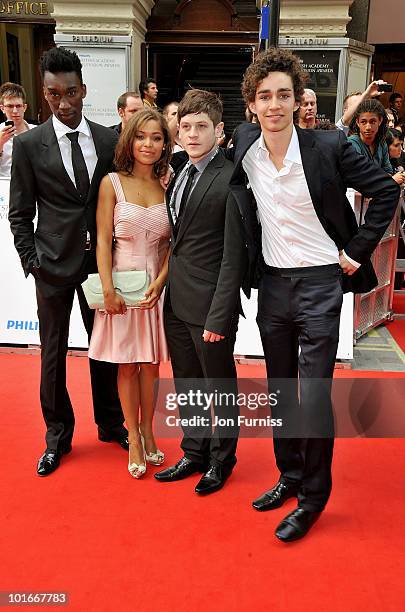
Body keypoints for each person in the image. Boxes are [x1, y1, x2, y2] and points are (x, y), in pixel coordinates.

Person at [229, 48, 400, 542]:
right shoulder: (244, 144)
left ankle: (313, 498)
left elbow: (385, 192)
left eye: (284, 94)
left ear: (298, 99)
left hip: (324, 283)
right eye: (265, 96)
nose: (275, 104)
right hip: (274, 286)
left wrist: (355, 251)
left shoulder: (329, 147)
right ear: (252, 103)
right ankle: (289, 476)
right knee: (281, 388)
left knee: (315, 394)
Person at [8, 47, 127, 477]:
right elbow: (19, 213)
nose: (63, 102)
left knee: (106, 350)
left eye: (71, 92)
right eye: (54, 94)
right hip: (52, 267)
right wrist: (33, 262)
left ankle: (111, 424)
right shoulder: (27, 146)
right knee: (53, 354)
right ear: (45, 94)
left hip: (100, 265)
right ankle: (57, 436)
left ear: (84, 90)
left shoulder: (110, 139)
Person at [154, 89, 246, 495]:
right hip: (175, 301)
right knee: (186, 382)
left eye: (201, 127)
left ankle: (222, 460)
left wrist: (221, 313)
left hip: (210, 305)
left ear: (219, 130)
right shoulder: (177, 171)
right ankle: (194, 451)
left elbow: (232, 257)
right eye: (186, 127)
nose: (192, 134)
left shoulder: (230, 178)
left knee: (219, 385)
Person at [88, 109, 172, 478]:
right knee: (127, 365)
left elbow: (176, 244)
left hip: (156, 288)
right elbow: (103, 241)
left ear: (165, 144)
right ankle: (133, 438)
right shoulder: (112, 183)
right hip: (122, 287)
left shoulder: (168, 184)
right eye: (142, 137)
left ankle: (150, 432)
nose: (149, 144)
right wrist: (108, 288)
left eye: (156, 137)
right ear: (130, 140)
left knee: (151, 366)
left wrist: (163, 280)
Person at [348, 99, 405, 185]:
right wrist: (389, 180)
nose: (368, 127)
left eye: (372, 121)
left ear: (380, 121)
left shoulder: (382, 143)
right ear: (357, 122)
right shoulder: (352, 143)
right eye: (363, 122)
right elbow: (359, 176)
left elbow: (388, 171)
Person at [0, 82, 36, 177]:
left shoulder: (36, 131)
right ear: (2, 108)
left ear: (24, 107)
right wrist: (0, 143)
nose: (15, 111)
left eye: (18, 106)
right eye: (10, 106)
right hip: (6, 183)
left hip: (31, 184)